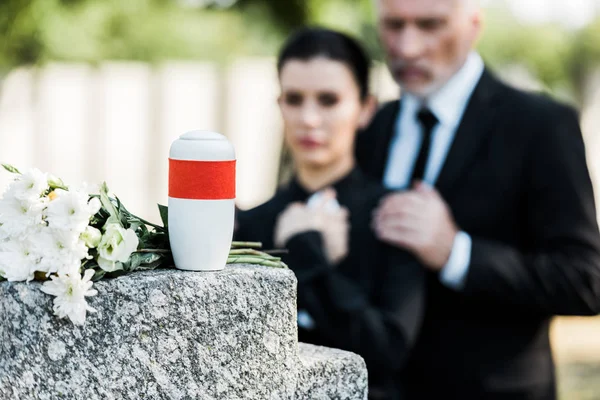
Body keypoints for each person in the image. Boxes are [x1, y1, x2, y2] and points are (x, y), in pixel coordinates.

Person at [356, 0, 600, 399]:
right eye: (393, 25)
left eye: (430, 24)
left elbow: (585, 280)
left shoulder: (541, 125)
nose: (408, 46)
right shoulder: (370, 126)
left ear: (474, 24)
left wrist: (457, 253)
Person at [235, 27, 424, 399]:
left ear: (366, 108)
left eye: (328, 100)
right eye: (294, 98)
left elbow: (387, 353)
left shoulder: (394, 217)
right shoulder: (249, 225)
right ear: (280, 105)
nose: (308, 118)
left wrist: (308, 255)